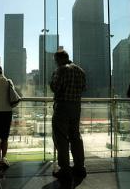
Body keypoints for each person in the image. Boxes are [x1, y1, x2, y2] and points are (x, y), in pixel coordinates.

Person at [50, 50, 87, 184]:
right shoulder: (80, 71)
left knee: (61, 137)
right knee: (75, 136)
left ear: (59, 59)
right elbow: (83, 87)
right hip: (76, 106)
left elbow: (55, 87)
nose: (55, 62)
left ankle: (65, 169)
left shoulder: (61, 70)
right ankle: (79, 167)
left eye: (55, 60)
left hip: (62, 106)